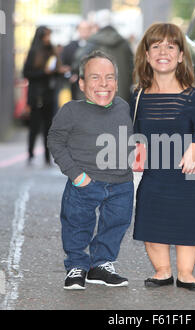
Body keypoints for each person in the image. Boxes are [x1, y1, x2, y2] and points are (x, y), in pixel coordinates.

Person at [132, 23, 195, 291]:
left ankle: (186, 274)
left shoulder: (193, 96)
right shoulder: (139, 96)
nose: (162, 51)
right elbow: (136, 133)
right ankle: (162, 271)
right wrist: (136, 152)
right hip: (154, 175)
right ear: (146, 55)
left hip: (187, 176)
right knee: (152, 222)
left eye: (170, 46)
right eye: (155, 46)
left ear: (180, 56)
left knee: (188, 221)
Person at [47, 50, 134, 290]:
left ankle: (101, 266)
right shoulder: (71, 111)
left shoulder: (123, 107)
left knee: (116, 223)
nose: (103, 83)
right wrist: (75, 174)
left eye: (109, 77)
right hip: (84, 181)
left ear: (116, 82)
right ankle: (76, 266)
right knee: (77, 223)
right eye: (95, 78)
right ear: (82, 83)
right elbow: (55, 141)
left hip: (121, 183)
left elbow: (127, 139)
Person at [23, 26, 67, 165]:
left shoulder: (52, 51)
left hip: (49, 94)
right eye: (46, 36)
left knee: (49, 126)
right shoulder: (33, 52)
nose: (48, 39)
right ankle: (30, 153)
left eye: (49, 36)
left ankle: (47, 157)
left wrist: (59, 71)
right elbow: (26, 73)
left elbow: (55, 70)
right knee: (34, 126)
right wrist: (44, 72)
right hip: (36, 95)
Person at [72, 9, 134, 103]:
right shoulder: (124, 44)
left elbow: (77, 63)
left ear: (97, 25)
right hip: (122, 97)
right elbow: (133, 68)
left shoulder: (92, 42)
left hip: (97, 97)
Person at [61, 20, 92, 100]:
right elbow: (64, 66)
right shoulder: (69, 47)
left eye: (86, 29)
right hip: (75, 87)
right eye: (82, 29)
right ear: (78, 30)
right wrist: (69, 76)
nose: (84, 31)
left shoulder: (95, 46)